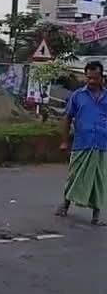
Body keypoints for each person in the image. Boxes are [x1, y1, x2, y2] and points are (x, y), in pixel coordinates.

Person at [56, 61, 107, 226]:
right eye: (89, 78)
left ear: (101, 77)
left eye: (95, 78)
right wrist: (64, 141)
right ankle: (65, 205)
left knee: (100, 180)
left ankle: (96, 215)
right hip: (82, 143)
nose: (91, 81)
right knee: (74, 176)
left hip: (102, 144)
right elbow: (67, 118)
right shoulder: (78, 95)